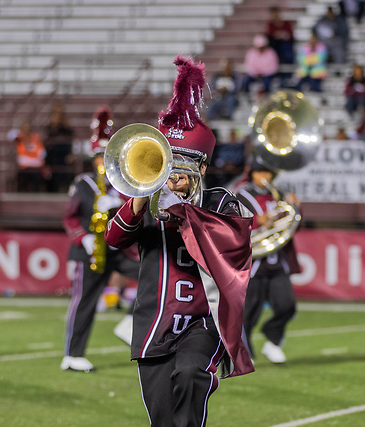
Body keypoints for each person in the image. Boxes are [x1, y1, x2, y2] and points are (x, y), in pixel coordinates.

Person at [105, 56, 254, 426]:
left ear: (202, 169)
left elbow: (232, 241)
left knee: (190, 376)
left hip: (203, 321)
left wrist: (185, 215)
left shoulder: (219, 201)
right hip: (154, 321)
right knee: (161, 417)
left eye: (183, 174)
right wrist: (140, 193)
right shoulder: (149, 202)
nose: (174, 181)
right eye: (168, 172)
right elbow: (114, 238)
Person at [61, 106, 140, 372]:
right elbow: (70, 218)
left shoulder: (122, 186)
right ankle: (72, 355)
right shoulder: (83, 184)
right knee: (84, 301)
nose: (101, 163)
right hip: (91, 251)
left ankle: (129, 323)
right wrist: (82, 237)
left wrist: (118, 202)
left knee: (153, 275)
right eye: (98, 157)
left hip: (116, 250)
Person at [235, 158, 300, 364]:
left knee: (287, 305)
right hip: (253, 262)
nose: (266, 177)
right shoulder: (242, 195)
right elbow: (231, 222)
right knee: (249, 311)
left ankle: (272, 340)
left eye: (269, 173)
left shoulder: (279, 194)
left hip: (277, 260)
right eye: (261, 173)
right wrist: (256, 221)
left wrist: (297, 210)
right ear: (252, 174)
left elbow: (290, 224)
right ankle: (243, 352)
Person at [45, 102, 75, 193]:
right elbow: (48, 137)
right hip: (53, 153)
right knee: (54, 175)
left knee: (65, 174)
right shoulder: (50, 125)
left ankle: (65, 190)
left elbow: (69, 137)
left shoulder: (66, 125)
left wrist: (70, 153)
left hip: (64, 152)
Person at [11, 120, 48, 192]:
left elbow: (42, 153)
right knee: (22, 178)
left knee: (37, 178)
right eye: (24, 128)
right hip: (24, 167)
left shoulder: (35, 138)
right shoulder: (19, 138)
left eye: (27, 128)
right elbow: (10, 135)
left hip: (36, 166)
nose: (26, 130)